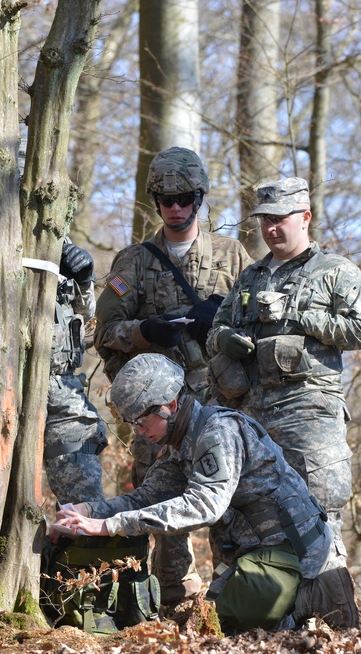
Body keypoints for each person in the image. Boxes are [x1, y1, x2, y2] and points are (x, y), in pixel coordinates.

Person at [53, 353, 361, 632]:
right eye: (132, 422)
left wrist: (112, 525)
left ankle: (313, 594)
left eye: (141, 419)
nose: (138, 430)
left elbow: (205, 505)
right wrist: (90, 512)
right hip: (251, 552)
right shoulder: (178, 443)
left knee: (228, 622)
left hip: (293, 549)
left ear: (170, 405)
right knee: (208, 626)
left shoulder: (218, 432)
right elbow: (146, 498)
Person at [94, 147, 253, 605]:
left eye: (186, 198)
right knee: (159, 500)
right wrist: (144, 331)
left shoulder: (231, 257)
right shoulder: (134, 261)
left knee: (231, 498)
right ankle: (173, 602)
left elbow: (255, 329)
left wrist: (219, 323)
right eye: (167, 201)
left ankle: (235, 596)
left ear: (200, 198)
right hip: (158, 411)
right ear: (155, 202)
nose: (177, 209)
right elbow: (103, 333)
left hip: (221, 403)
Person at [207, 177, 361, 563]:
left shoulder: (335, 271)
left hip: (308, 411)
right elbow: (215, 329)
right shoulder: (250, 276)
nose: (270, 229)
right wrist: (224, 341)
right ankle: (255, 611)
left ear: (305, 217)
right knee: (245, 514)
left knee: (319, 510)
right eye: (264, 220)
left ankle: (327, 613)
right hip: (251, 413)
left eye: (279, 219)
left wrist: (298, 313)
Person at [0, 237, 108, 504]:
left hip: (62, 389)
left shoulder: (64, 245)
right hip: (2, 387)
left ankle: (79, 541)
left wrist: (83, 280)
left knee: (86, 496)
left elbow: (86, 319)